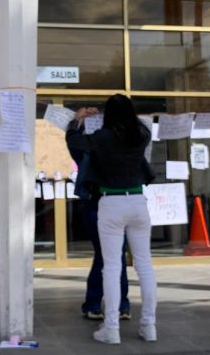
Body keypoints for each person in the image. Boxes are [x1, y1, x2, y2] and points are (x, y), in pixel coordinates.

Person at [66, 94, 156, 345]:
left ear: (109, 115)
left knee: (112, 266)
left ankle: (111, 328)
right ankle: (149, 326)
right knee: (145, 266)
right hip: (138, 202)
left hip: (111, 203)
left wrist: (77, 120)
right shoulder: (142, 134)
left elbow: (75, 142)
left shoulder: (102, 138)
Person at [66, 114, 131, 321]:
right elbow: (73, 141)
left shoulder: (122, 149)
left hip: (115, 204)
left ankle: (111, 304)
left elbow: (72, 139)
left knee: (114, 254)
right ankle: (106, 304)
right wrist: (78, 121)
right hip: (97, 204)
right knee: (107, 254)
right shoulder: (87, 152)